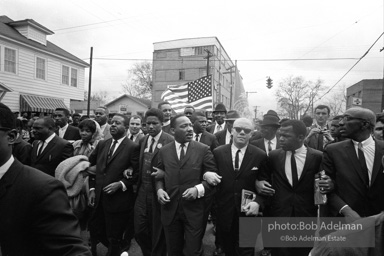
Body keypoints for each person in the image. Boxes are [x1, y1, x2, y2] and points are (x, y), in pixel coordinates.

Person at [0, 102, 91, 255]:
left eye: (38, 128)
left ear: (11, 137)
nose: (34, 131)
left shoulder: (44, 190)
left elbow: (70, 249)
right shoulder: (35, 144)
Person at [259, 120, 332, 256]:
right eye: (280, 135)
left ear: (300, 137)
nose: (280, 139)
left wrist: (329, 184)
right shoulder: (274, 156)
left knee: (302, 251)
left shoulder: (317, 157)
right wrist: (260, 183)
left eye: (286, 136)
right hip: (279, 215)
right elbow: (264, 177)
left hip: (305, 216)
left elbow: (324, 181)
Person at [155, 114, 217, 256]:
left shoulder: (203, 149)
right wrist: (159, 190)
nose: (190, 129)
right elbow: (159, 175)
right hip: (170, 209)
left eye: (190, 125)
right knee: (173, 251)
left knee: (193, 251)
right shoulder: (164, 151)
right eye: (184, 126)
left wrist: (198, 189)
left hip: (194, 211)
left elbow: (214, 179)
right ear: (172, 131)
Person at [213, 118, 267, 256]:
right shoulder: (218, 153)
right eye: (238, 129)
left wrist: (258, 202)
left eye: (247, 130)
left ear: (252, 134)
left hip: (248, 213)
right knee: (227, 250)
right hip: (224, 211)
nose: (242, 133)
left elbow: (265, 184)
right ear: (232, 131)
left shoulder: (259, 155)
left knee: (247, 251)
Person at [88, 113, 140, 256]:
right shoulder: (103, 144)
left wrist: (121, 184)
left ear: (127, 127)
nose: (113, 125)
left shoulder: (133, 147)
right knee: (97, 230)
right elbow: (90, 166)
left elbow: (137, 174)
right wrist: (92, 188)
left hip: (118, 201)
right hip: (98, 198)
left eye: (118, 123)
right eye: (112, 122)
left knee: (114, 236)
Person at [322, 107, 384, 220]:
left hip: (379, 221)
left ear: (364, 124)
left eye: (347, 119)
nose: (341, 123)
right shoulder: (333, 151)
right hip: (345, 221)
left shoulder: (382, 149)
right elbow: (325, 187)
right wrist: (346, 210)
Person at [134, 108, 174, 256]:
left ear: (162, 124)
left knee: (158, 232)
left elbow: (178, 169)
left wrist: (165, 173)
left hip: (159, 192)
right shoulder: (143, 140)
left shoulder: (170, 141)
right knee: (139, 230)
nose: (150, 127)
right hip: (142, 192)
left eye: (154, 123)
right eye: (147, 123)